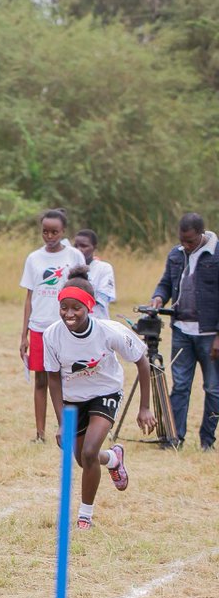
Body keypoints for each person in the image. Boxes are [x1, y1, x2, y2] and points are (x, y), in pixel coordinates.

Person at [45, 269, 155, 529]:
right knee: (84, 459)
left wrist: (144, 408)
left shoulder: (109, 331)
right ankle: (113, 458)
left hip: (105, 393)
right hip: (73, 399)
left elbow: (142, 362)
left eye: (76, 308)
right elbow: (53, 379)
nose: (69, 314)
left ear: (90, 307)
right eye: (64, 307)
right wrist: (62, 423)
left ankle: (85, 516)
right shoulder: (51, 335)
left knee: (89, 451)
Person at [150, 212, 219, 451]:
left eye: (190, 241)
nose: (185, 245)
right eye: (182, 240)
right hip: (181, 330)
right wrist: (159, 297)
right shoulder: (176, 254)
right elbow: (166, 283)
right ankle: (174, 438)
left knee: (213, 388)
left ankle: (207, 441)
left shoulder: (216, 255)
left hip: (210, 334)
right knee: (180, 386)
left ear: (201, 234)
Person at [19, 209, 86, 443]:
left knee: (69, 378)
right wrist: (24, 335)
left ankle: (70, 428)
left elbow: (83, 291)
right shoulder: (34, 258)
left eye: (54, 232)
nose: (49, 236)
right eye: (45, 232)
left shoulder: (75, 256)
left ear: (63, 231)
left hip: (67, 326)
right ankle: (40, 434)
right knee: (41, 380)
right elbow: (29, 298)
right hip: (40, 327)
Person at [73, 229, 116, 320]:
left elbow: (103, 297)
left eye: (84, 246)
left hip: (97, 320)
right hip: (73, 321)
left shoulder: (104, 268)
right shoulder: (69, 267)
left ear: (94, 247)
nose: (79, 250)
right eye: (76, 246)